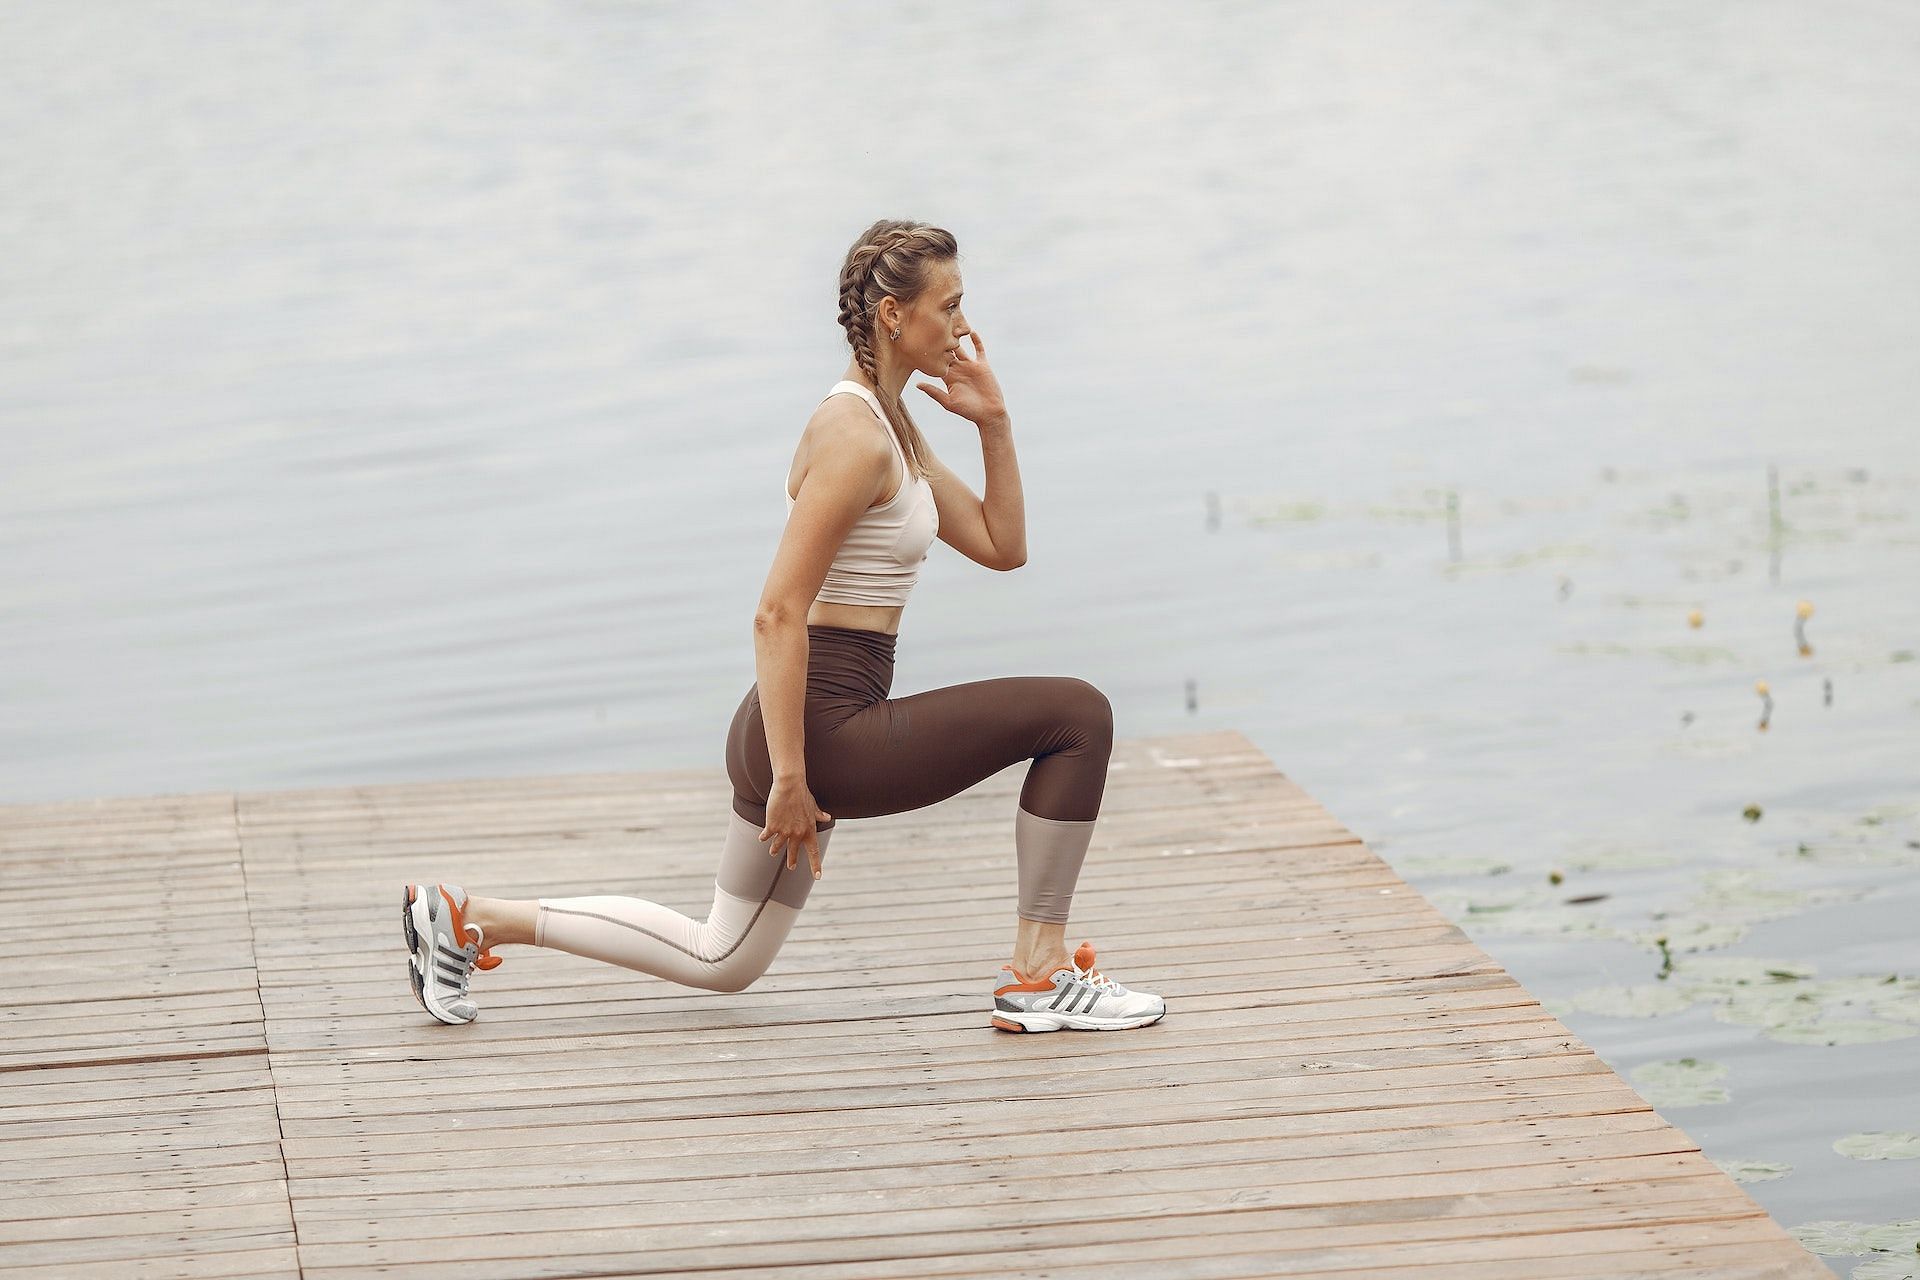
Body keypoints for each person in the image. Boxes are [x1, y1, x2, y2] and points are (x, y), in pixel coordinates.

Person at [402, 218, 1165, 1034]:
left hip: (797, 722)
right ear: (893, 316)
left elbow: (1001, 547)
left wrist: (996, 426)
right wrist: (795, 779)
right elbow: (776, 611)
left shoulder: (892, 429)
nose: (964, 327)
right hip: (817, 726)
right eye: (950, 306)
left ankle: (467, 915)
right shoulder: (852, 436)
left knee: (722, 958)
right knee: (1077, 716)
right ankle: (1041, 974)